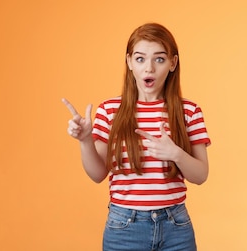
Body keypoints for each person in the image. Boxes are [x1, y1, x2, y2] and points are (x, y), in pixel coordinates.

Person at [62, 23, 211, 251]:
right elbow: (97, 174)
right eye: (140, 59)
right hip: (124, 227)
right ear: (130, 62)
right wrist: (85, 141)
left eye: (159, 59)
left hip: (176, 227)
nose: (149, 68)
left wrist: (176, 154)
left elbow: (200, 175)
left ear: (173, 63)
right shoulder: (109, 111)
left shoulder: (188, 111)